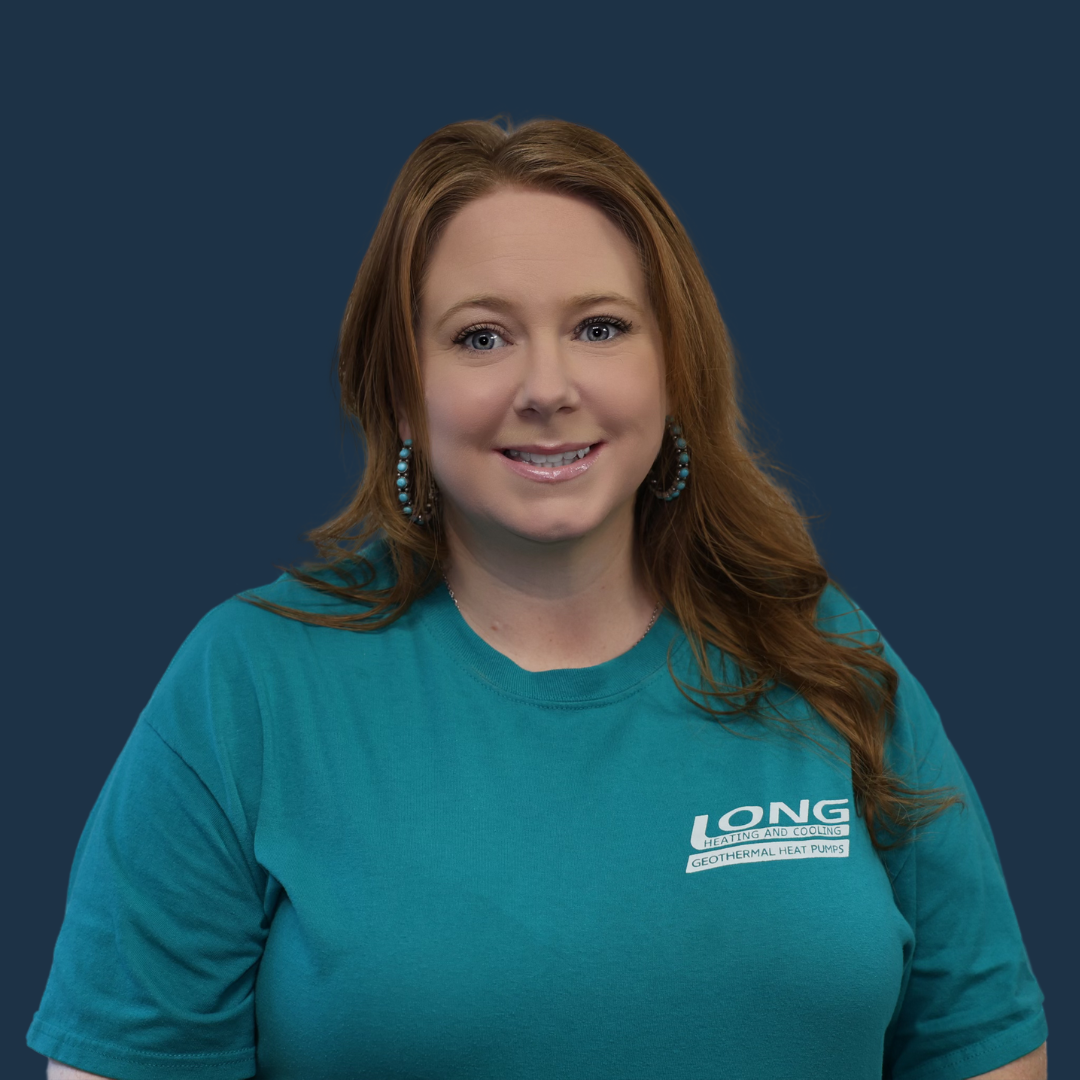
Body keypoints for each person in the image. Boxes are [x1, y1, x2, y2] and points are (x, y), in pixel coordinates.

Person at [29, 118, 1047, 1080]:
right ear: (399, 390)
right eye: (481, 337)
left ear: (672, 370)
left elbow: (983, 1048)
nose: (548, 385)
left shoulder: (823, 653)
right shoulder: (246, 688)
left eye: (601, 327)